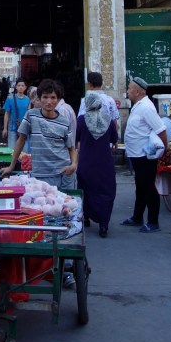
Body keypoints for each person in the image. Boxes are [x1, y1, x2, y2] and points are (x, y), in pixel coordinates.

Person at [1, 78, 77, 189]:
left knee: (66, 205)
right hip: (40, 176)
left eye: (53, 97)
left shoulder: (64, 121)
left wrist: (73, 165)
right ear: (40, 98)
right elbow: (21, 140)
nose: (49, 101)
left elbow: (71, 148)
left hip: (63, 175)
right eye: (45, 97)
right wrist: (11, 166)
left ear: (58, 99)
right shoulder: (31, 115)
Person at [120, 77, 166, 233]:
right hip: (136, 155)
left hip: (145, 156)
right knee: (140, 187)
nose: (127, 91)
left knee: (148, 188)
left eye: (129, 88)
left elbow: (161, 130)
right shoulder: (138, 106)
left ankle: (153, 222)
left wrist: (163, 150)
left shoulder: (146, 107)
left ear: (137, 91)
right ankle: (137, 217)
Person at [76, 91, 118, 237]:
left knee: (86, 189)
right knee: (105, 191)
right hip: (105, 162)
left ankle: (86, 216)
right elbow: (114, 138)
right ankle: (104, 224)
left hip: (86, 162)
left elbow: (76, 138)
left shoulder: (82, 120)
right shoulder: (109, 119)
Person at [2, 78, 30, 149]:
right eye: (19, 85)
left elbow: (29, 114)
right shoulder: (10, 98)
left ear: (25, 87)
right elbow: (7, 114)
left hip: (24, 128)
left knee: (24, 152)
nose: (21, 87)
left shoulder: (28, 100)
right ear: (16, 87)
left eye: (22, 85)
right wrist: (5, 128)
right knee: (11, 150)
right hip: (12, 128)